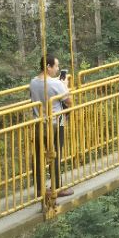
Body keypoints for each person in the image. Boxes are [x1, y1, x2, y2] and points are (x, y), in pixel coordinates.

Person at [30, 54, 73, 198]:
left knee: (38, 156)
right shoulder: (57, 84)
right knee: (55, 153)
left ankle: (40, 189)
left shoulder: (33, 82)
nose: (58, 69)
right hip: (56, 121)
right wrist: (65, 85)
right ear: (48, 67)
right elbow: (69, 101)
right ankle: (56, 187)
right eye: (56, 66)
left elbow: (45, 87)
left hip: (38, 123)